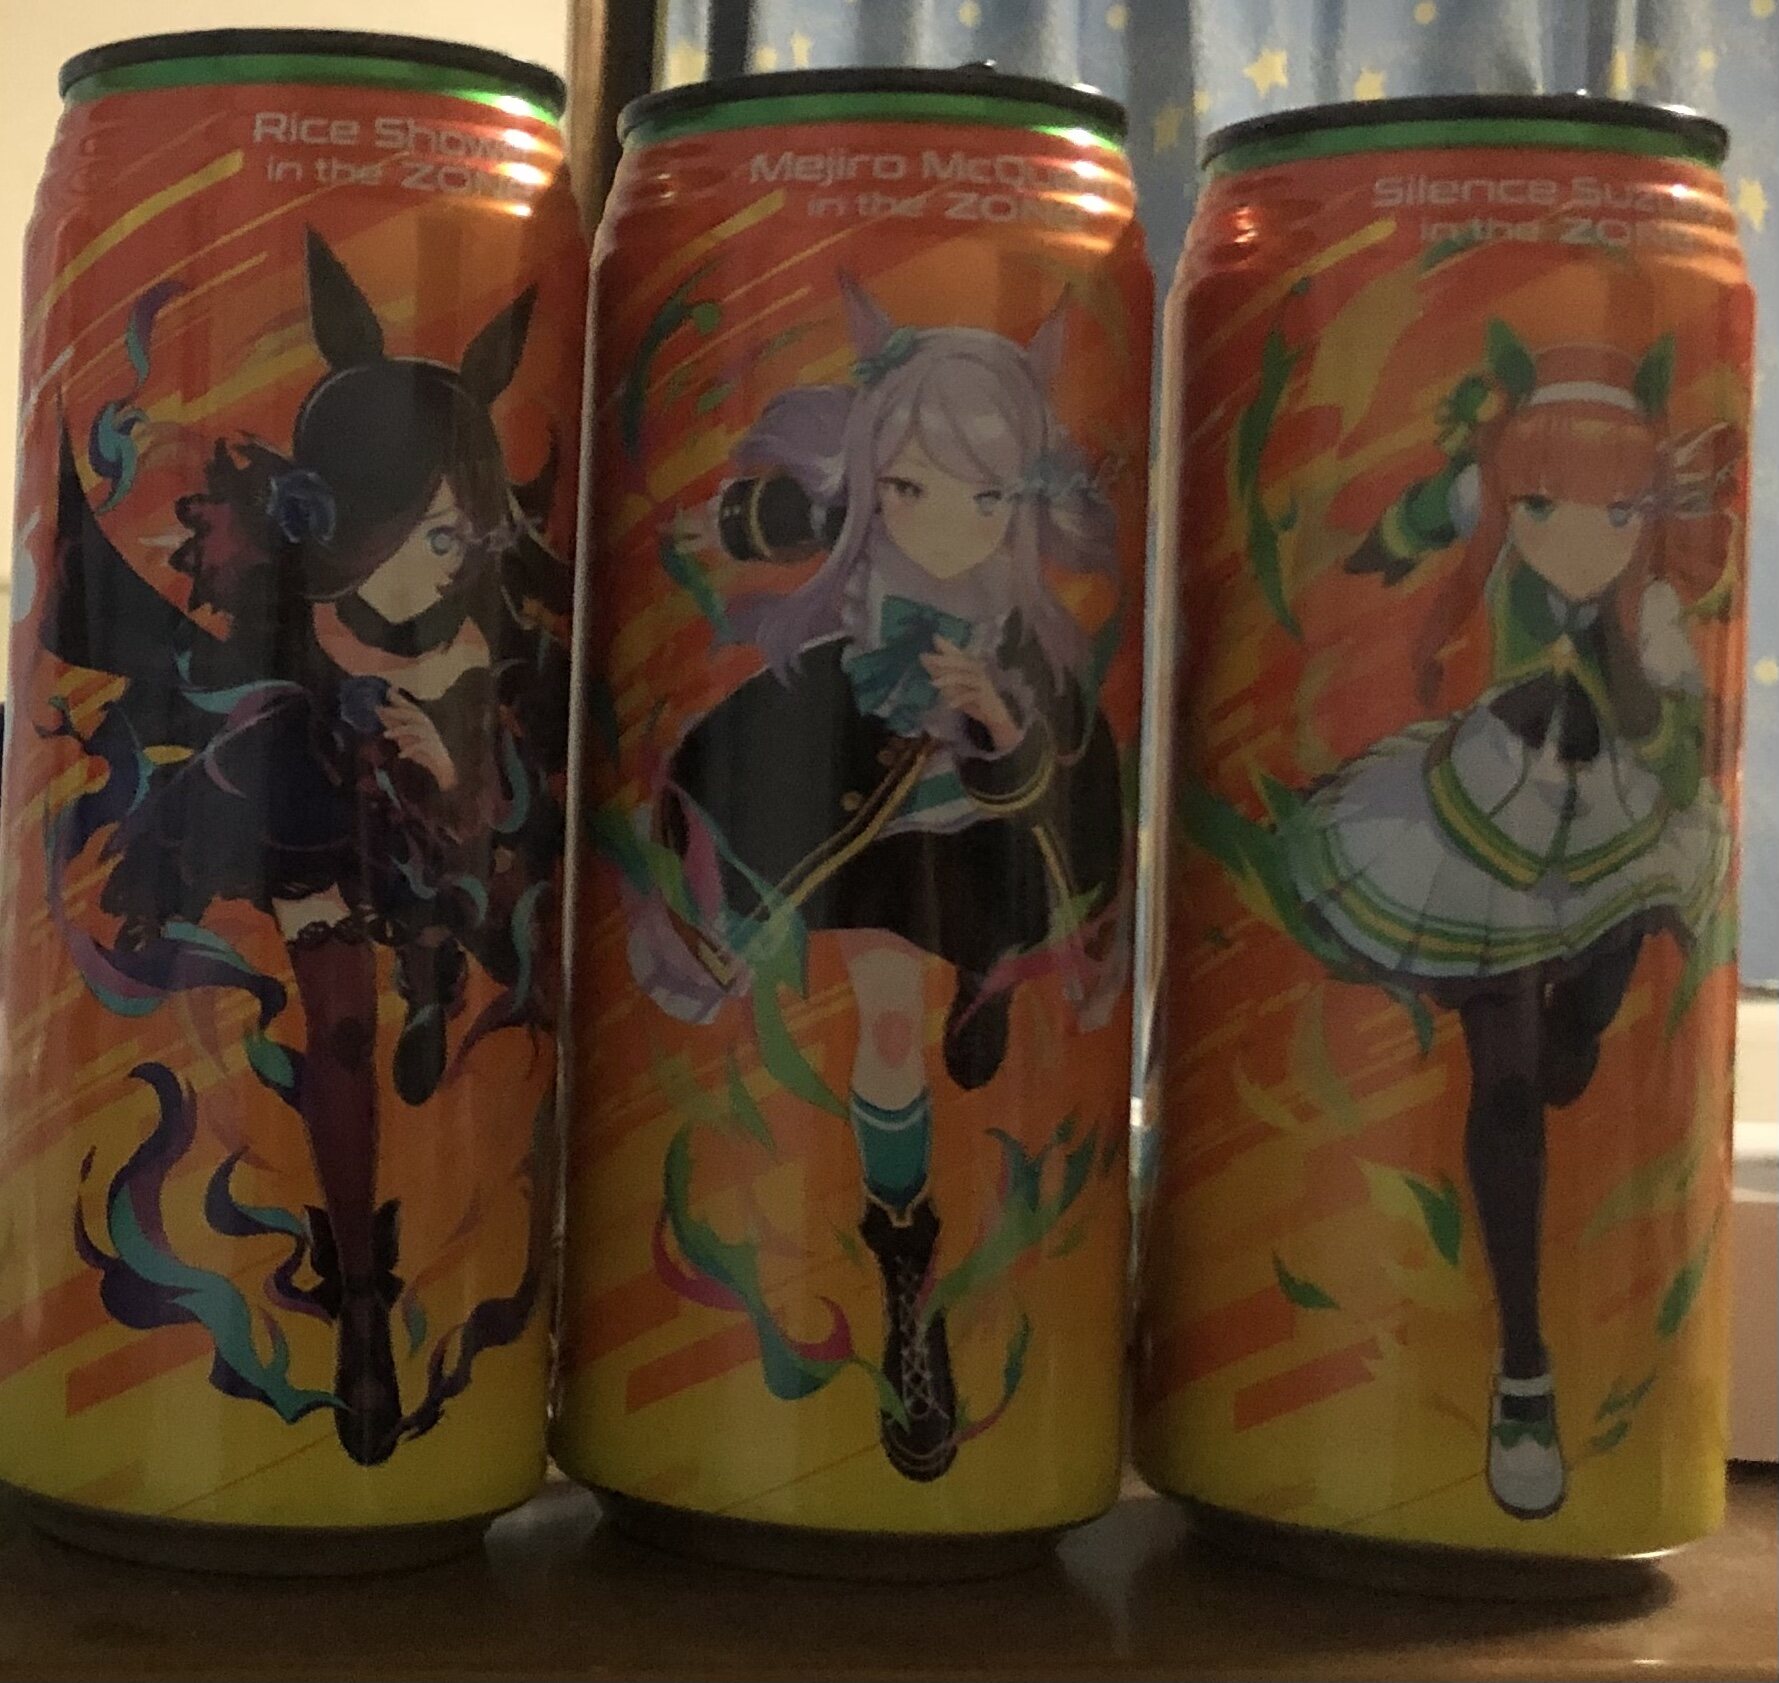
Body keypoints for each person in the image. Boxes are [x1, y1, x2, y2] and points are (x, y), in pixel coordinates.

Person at [45, 230, 570, 1465]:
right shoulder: (289, 627)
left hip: (434, 851)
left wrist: (444, 768)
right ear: (359, 513)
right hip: (308, 824)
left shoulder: (471, 652)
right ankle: (360, 1286)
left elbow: (502, 805)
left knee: (460, 946)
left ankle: (428, 1001)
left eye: (465, 537)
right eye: (433, 532)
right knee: (338, 1026)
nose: (451, 561)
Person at [625, 272, 1127, 1481]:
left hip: (990, 825)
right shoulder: (848, 539)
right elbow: (775, 512)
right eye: (908, 489)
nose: (942, 522)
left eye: (984, 496)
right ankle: (909, 1287)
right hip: (858, 800)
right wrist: (720, 527)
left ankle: (990, 981)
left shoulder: (1025, 640)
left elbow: (1046, 782)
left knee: (994, 934)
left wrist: (996, 725)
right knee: (889, 1018)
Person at [1278, 331, 1736, 1518]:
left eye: (1615, 514)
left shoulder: (1655, 609)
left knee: (1573, 1042)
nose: (1579, 540)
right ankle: (1523, 1371)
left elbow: (1678, 755)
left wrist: (1620, 666)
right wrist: (1378, 540)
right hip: (1486, 822)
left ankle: (1579, 1018)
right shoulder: (1485, 513)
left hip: (1619, 831)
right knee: (1512, 1082)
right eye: (1545, 508)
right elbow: (1396, 529)